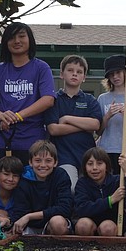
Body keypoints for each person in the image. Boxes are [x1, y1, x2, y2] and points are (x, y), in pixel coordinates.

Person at [0, 22, 56, 170]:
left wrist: (17, 116)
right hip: (2, 139)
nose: (17, 41)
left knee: (30, 186)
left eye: (22, 36)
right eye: (12, 37)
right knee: (1, 184)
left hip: (32, 142)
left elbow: (48, 100)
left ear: (30, 40)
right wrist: (0, 115)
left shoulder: (41, 68)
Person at [45, 55, 103, 191]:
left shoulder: (90, 100)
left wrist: (66, 119)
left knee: (89, 191)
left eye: (79, 72)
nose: (75, 74)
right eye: (70, 70)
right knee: (71, 188)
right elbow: (53, 129)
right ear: (62, 74)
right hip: (64, 156)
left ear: (84, 77)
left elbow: (95, 125)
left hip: (87, 156)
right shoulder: (54, 100)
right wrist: (83, 127)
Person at [10, 140, 72, 235]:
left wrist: (29, 216)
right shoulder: (23, 179)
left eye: (48, 161)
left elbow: (65, 208)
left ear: (55, 162)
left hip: (51, 223)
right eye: (38, 160)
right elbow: (20, 211)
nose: (43, 165)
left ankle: (58, 248)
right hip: (30, 225)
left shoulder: (61, 175)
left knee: (58, 222)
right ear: (30, 162)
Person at [74, 148, 126, 236]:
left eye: (99, 163)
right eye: (90, 164)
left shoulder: (117, 181)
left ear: (106, 166)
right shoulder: (82, 184)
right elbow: (82, 209)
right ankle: (85, 249)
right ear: (85, 167)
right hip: (90, 223)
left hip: (112, 225)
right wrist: (110, 200)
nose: (94, 168)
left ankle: (109, 249)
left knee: (107, 228)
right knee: (83, 225)